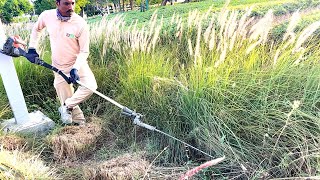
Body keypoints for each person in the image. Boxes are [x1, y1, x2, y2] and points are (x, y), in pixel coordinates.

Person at [26, 0, 97, 125]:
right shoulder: (47, 16)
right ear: (57, 3)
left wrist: (75, 68)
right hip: (58, 66)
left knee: (90, 86)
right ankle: (80, 125)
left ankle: (66, 106)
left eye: (73, 3)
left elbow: (85, 51)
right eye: (66, 3)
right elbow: (36, 30)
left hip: (76, 64)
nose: (71, 7)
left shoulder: (80, 23)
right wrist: (32, 48)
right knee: (66, 97)